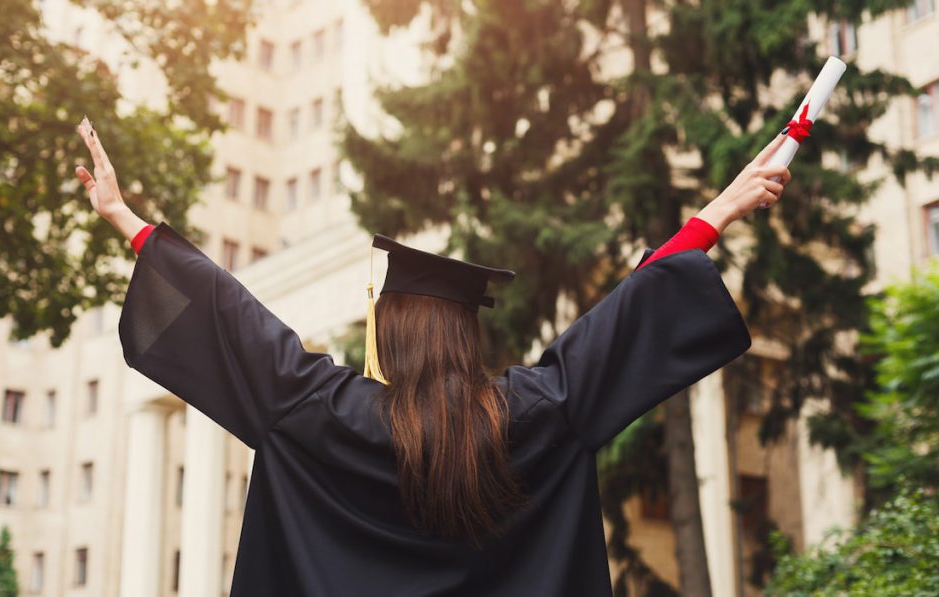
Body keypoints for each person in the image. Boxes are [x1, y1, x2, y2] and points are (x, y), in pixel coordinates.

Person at [74, 117, 790, 596]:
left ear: (392, 332)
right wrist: (717, 211)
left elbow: (228, 314)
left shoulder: (317, 409)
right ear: (462, 336)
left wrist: (126, 220)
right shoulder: (535, 413)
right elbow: (628, 316)